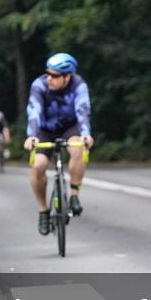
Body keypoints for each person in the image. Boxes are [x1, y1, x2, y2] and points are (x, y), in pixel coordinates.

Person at [23, 53, 94, 236]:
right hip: (45, 130)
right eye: (48, 74)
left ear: (67, 77)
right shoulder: (39, 85)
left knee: (78, 148)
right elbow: (34, 111)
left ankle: (74, 195)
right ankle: (43, 211)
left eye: (55, 76)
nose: (49, 79)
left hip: (69, 127)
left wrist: (86, 135)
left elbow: (83, 110)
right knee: (38, 165)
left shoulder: (79, 85)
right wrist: (31, 136)